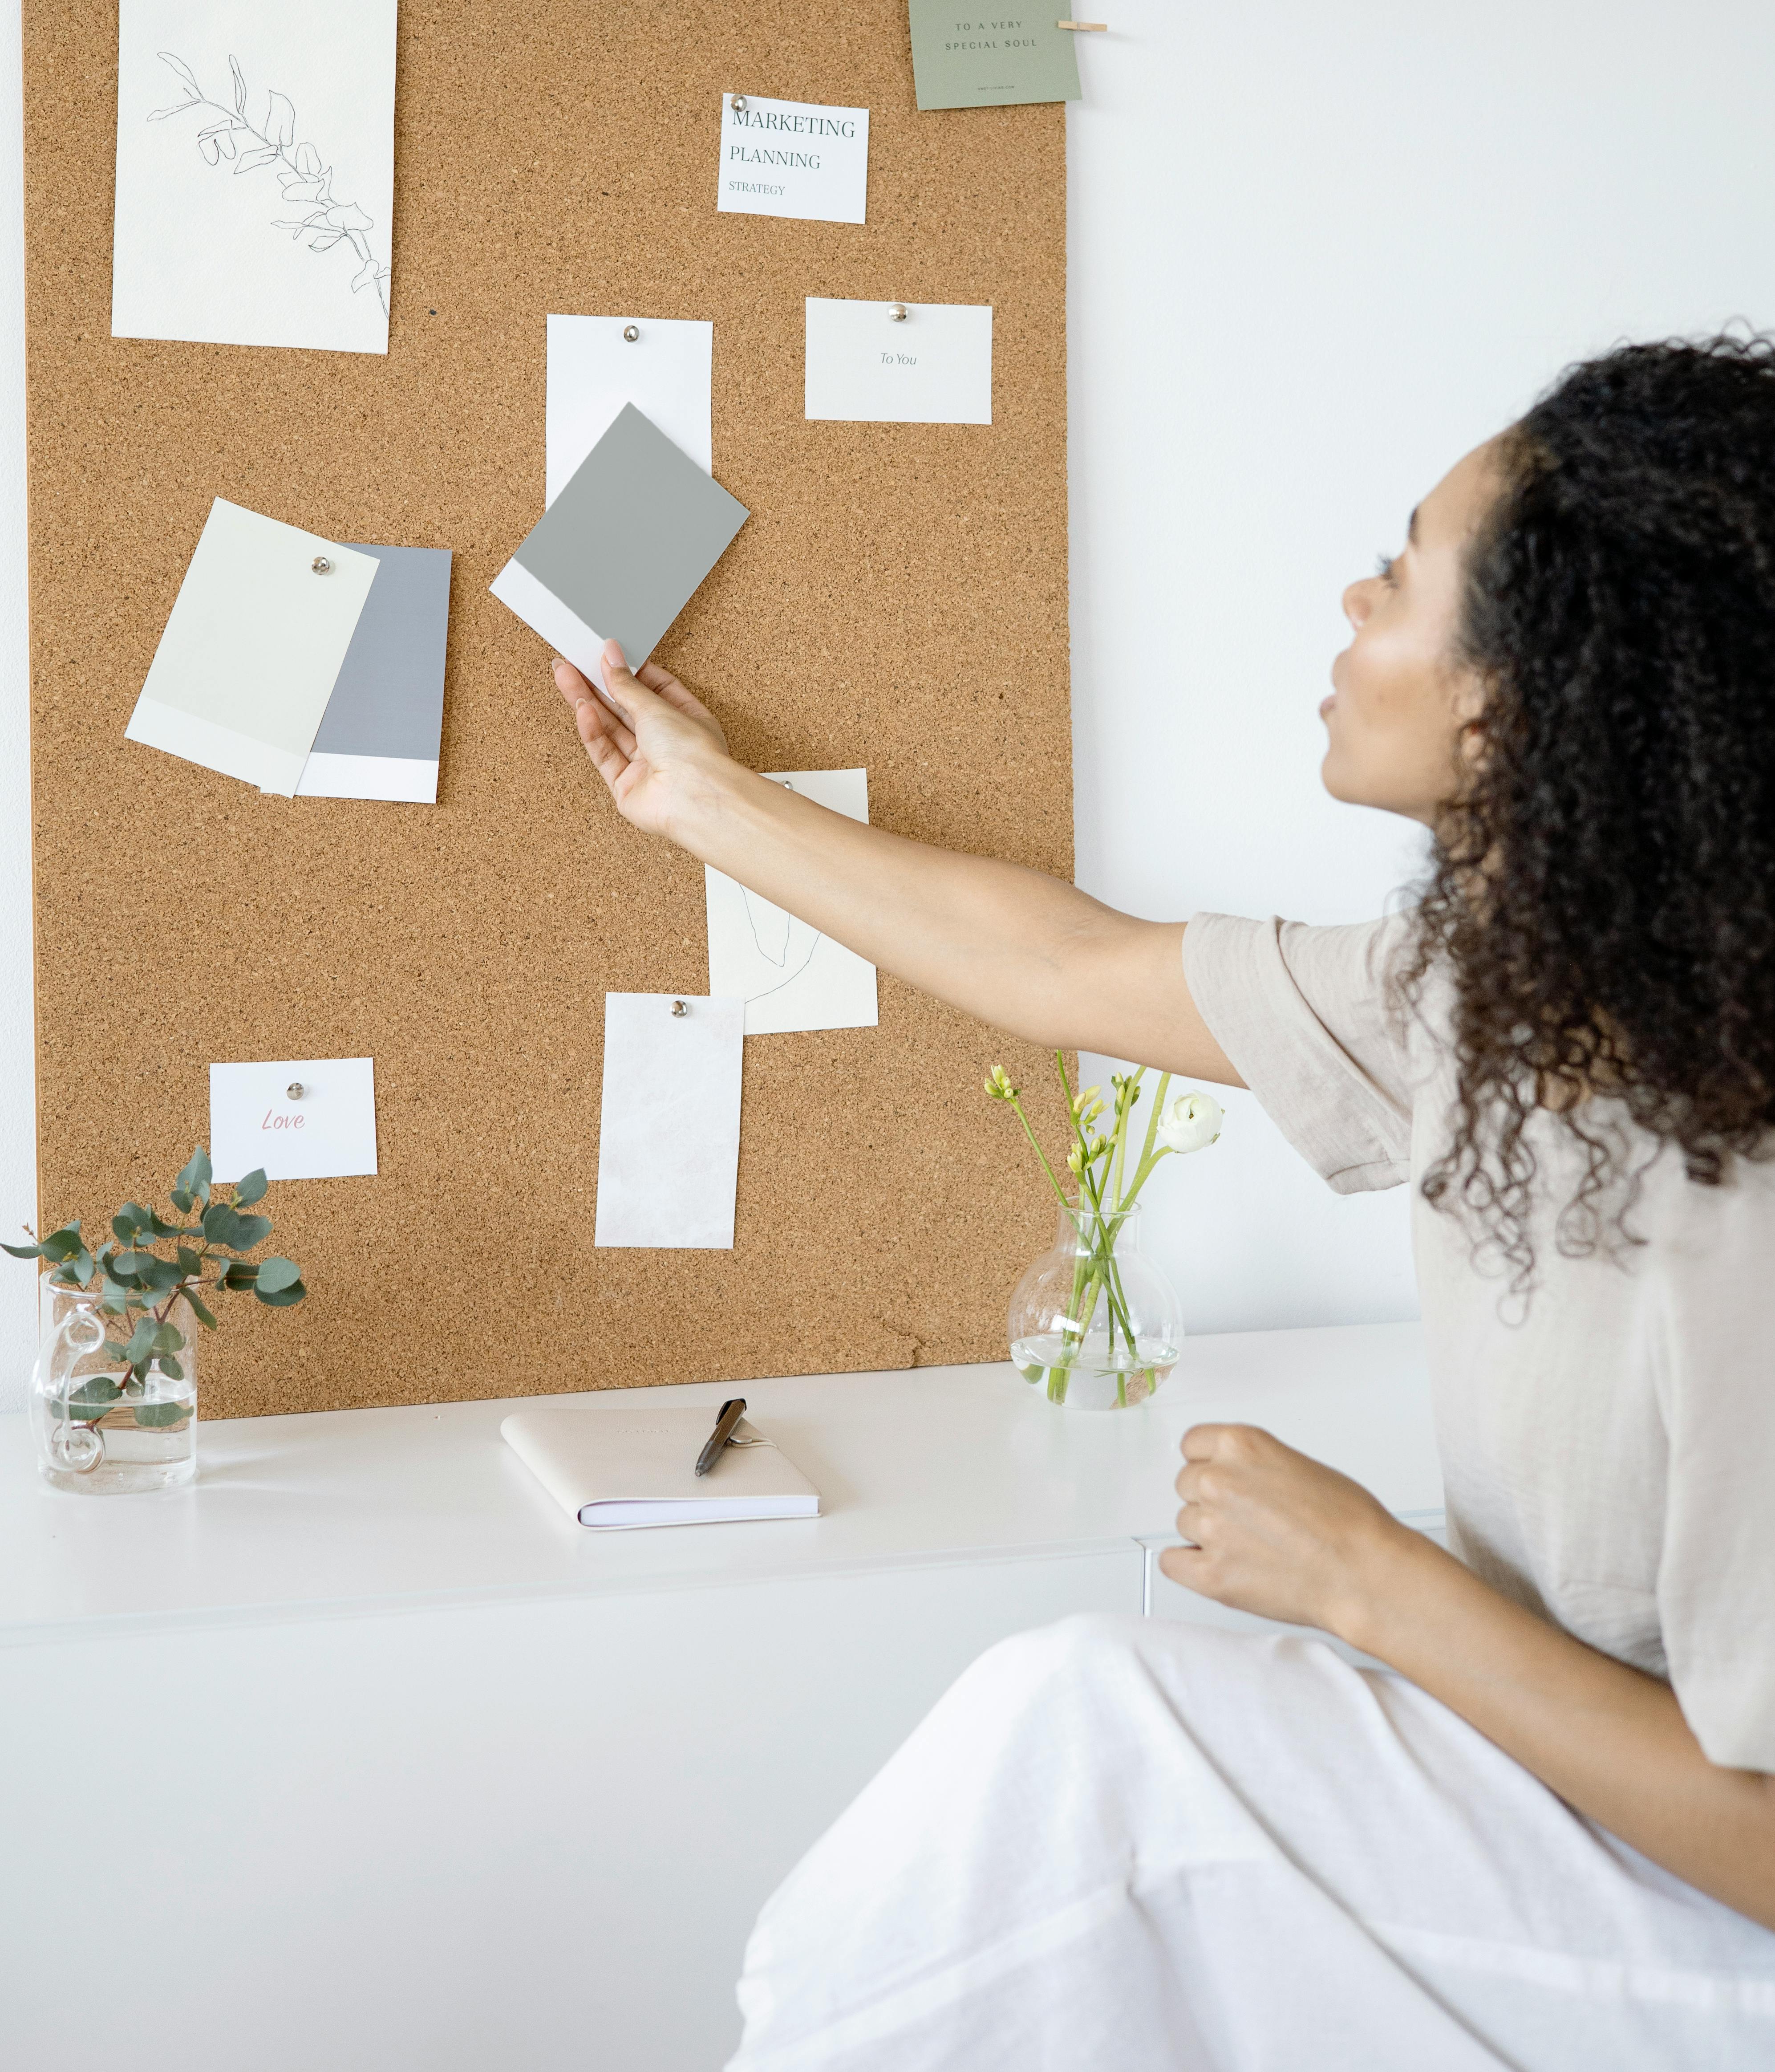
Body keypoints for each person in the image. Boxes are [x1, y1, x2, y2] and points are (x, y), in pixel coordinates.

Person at [553, 335, 1775, 2070]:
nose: (1354, 594)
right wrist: (699, 800)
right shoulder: (1503, 994)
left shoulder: (1741, 1178)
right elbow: (1064, 963)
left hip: (1712, 1921)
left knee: (1088, 1740)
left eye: (1404, 568)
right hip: (1562, 1804)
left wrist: (1371, 1582)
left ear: (1529, 693)